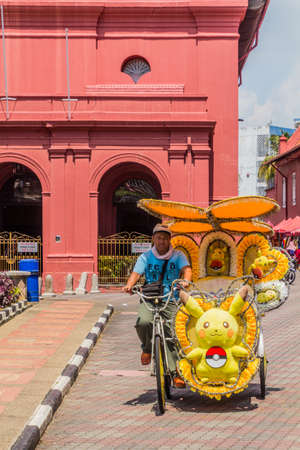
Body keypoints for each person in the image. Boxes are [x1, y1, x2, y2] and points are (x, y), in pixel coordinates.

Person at [123, 223, 192, 388]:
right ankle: (147, 348)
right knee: (143, 322)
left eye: (165, 238)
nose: (161, 241)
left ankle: (176, 373)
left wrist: (186, 281)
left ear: (169, 240)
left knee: (173, 333)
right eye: (159, 237)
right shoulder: (146, 257)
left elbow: (187, 269)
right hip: (149, 296)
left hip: (171, 298)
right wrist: (129, 285)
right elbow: (136, 273)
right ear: (153, 239)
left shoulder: (177, 255)